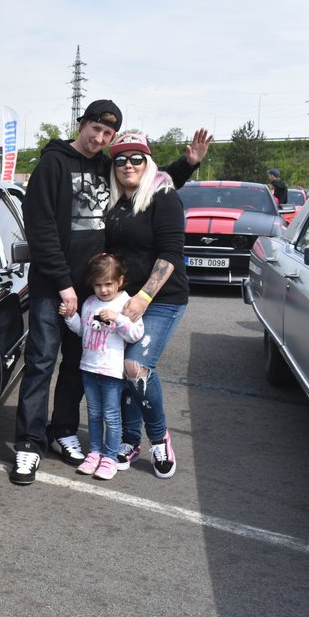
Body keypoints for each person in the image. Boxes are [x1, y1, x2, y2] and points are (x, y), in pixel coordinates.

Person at [9, 98, 212, 486]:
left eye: (107, 134)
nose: (99, 138)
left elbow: (147, 174)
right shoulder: (52, 164)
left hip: (93, 292)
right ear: (80, 123)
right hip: (54, 287)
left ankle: (62, 432)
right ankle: (28, 445)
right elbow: (41, 231)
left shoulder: (107, 164)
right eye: (94, 129)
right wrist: (64, 285)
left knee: (77, 364)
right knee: (40, 363)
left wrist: (186, 165)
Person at [104, 133, 190, 479]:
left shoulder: (163, 197)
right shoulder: (113, 203)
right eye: (121, 159)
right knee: (122, 372)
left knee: (136, 367)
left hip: (161, 300)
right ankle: (128, 439)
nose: (128, 165)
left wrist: (144, 297)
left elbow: (170, 253)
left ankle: (158, 438)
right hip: (121, 300)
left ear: (148, 162)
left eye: (136, 158)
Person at [61, 253, 144, 481]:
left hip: (111, 371)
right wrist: (70, 317)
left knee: (111, 415)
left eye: (108, 284)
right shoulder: (89, 303)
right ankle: (95, 452)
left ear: (120, 281)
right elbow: (82, 330)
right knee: (94, 414)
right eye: (98, 285)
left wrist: (118, 319)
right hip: (89, 367)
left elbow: (136, 333)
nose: (103, 290)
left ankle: (109, 457)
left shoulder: (125, 304)